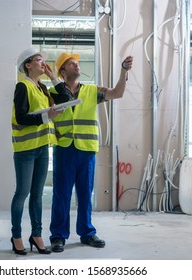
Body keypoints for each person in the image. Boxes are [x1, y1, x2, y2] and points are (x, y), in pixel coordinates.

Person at [48, 52, 133, 253]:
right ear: (62, 71)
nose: (77, 65)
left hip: (86, 150)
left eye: (77, 63)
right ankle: (58, 236)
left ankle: (86, 233)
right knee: (61, 195)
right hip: (64, 148)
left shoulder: (92, 91)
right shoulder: (53, 93)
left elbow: (117, 93)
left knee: (85, 194)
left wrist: (123, 71)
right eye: (71, 63)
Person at [10, 47, 62, 255]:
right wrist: (45, 116)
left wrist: (52, 76)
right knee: (22, 193)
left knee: (38, 195)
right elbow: (21, 117)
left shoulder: (42, 88)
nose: (43, 63)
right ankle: (16, 236)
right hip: (25, 150)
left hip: (41, 148)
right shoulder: (22, 86)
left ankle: (37, 235)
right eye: (39, 60)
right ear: (28, 65)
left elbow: (64, 96)